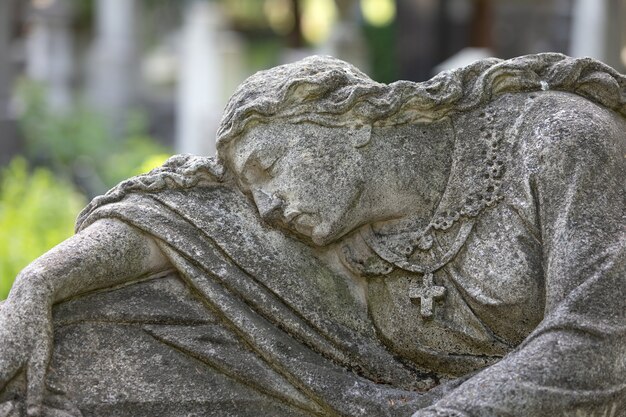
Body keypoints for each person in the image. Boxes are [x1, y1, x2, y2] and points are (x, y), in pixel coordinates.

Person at [0, 53, 624, 417]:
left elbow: (600, 344)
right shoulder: (337, 240)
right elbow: (179, 218)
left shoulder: (559, 138)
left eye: (268, 168)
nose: (267, 208)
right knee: (90, 336)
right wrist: (40, 282)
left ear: (340, 118)